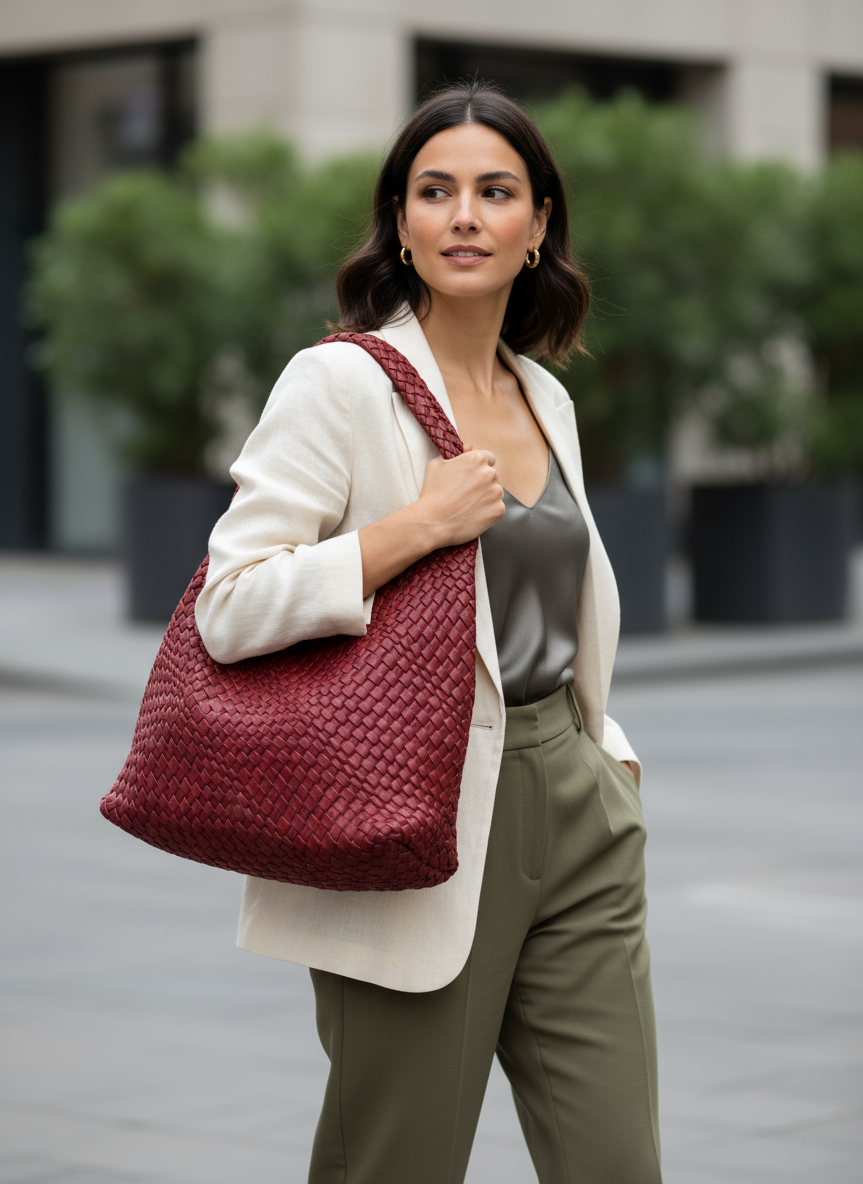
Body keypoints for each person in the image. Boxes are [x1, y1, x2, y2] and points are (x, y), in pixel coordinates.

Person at [196, 80, 661, 1184]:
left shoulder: (546, 396)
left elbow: (557, 606)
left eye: (495, 191)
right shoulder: (339, 384)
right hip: (413, 817)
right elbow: (229, 601)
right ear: (400, 223)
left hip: (575, 802)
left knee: (617, 1161)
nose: (464, 215)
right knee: (395, 1161)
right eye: (435, 191)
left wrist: (610, 760)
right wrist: (412, 529)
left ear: (538, 222)